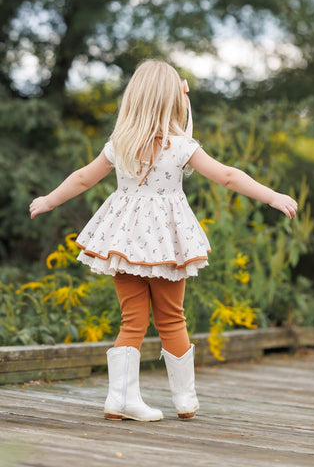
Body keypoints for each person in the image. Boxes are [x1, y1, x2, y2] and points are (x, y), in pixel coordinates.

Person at [30, 59, 298, 422]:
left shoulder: (119, 145)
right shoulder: (181, 146)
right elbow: (229, 177)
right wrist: (272, 196)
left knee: (132, 321)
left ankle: (119, 400)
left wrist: (48, 200)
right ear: (174, 101)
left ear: (133, 99)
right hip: (167, 243)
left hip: (123, 242)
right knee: (172, 318)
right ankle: (185, 401)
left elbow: (81, 179)